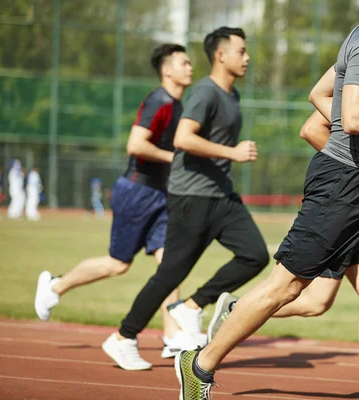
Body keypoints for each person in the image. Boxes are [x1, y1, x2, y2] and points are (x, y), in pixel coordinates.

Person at [175, 1, 359, 399]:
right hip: (341, 183)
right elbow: (352, 119)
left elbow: (320, 94)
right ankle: (200, 364)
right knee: (286, 288)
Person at [208, 109, 359, 400]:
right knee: (313, 301)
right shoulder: (355, 78)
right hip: (345, 202)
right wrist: (358, 165)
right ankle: (236, 309)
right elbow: (311, 128)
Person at [102, 26, 269, 371]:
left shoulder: (232, 96)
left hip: (221, 196)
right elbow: (183, 138)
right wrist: (232, 153)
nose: (247, 57)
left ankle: (191, 307)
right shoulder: (204, 93)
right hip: (191, 196)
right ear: (221, 55)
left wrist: (228, 160)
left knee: (255, 254)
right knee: (170, 273)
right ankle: (123, 337)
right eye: (241, 51)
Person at [34, 43, 199, 366]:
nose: (191, 67)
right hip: (137, 192)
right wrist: (176, 159)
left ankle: (172, 337)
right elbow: (135, 144)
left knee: (170, 265)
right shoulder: (160, 101)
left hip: (161, 195)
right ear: (167, 69)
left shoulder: (178, 105)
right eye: (184, 62)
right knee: (117, 264)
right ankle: (56, 285)